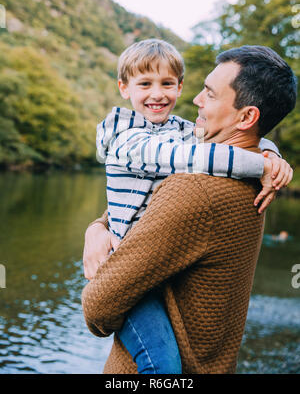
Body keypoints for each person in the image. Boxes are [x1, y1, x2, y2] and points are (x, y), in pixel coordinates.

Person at [82, 45, 296, 374]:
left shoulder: (195, 189)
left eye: (209, 94)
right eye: (145, 84)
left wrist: (266, 159)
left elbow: (98, 305)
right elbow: (152, 194)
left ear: (246, 116)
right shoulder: (248, 176)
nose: (196, 99)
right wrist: (98, 226)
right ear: (124, 88)